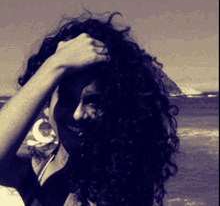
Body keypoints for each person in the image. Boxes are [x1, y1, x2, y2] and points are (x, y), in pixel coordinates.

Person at [0, 11, 179, 206]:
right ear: (46, 105)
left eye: (94, 101)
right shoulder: (35, 168)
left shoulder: (123, 180)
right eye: (67, 99)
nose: (78, 114)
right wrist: (55, 65)